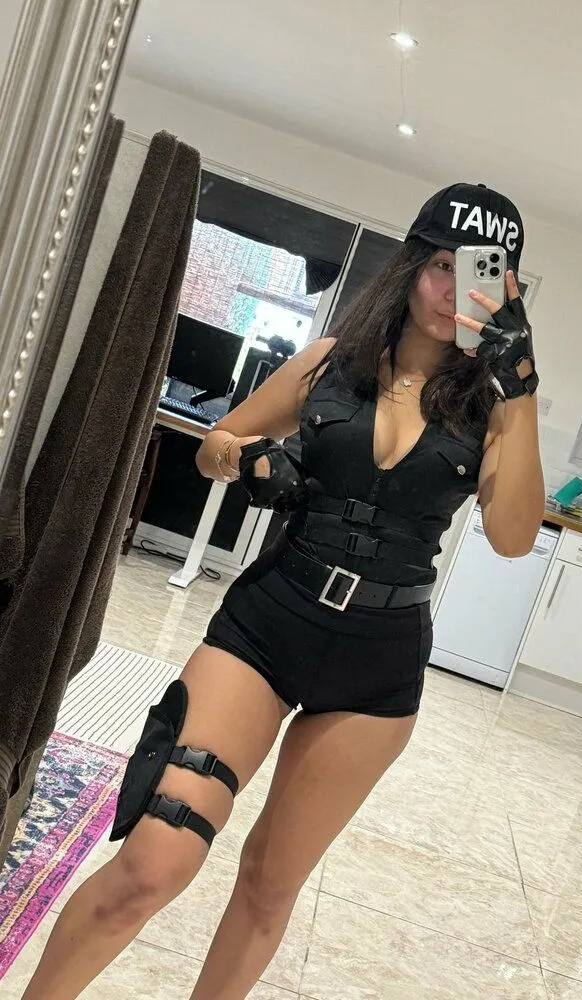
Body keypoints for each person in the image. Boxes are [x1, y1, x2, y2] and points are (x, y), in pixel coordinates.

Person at [20, 182, 545, 1000]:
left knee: (268, 885)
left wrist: (524, 390)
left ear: (505, 288)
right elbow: (218, 440)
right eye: (441, 265)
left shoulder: (497, 409)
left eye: (479, 272)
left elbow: (512, 537)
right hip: (268, 626)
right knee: (155, 860)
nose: (454, 290)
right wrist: (248, 460)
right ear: (411, 266)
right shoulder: (331, 363)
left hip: (377, 665)